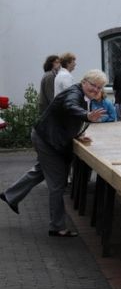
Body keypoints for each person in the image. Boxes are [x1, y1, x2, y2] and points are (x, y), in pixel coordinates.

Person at [1, 70, 107, 236]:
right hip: (48, 140)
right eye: (93, 85)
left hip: (49, 136)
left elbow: (67, 119)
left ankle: (10, 195)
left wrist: (78, 134)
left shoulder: (82, 94)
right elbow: (70, 106)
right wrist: (86, 115)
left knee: (41, 171)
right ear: (84, 82)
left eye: (99, 87)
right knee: (57, 184)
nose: (96, 90)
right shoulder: (74, 93)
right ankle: (57, 227)